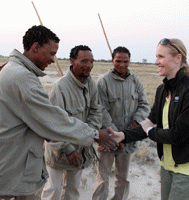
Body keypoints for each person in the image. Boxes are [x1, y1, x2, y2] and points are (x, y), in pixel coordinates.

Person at [0, 25, 118, 200]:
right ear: (35, 47)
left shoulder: (13, 70)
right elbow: (52, 120)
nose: (53, 59)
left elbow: (95, 110)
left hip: (18, 161)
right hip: (15, 163)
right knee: (52, 190)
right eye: (52, 53)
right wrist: (93, 134)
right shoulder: (24, 78)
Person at [110, 39, 189, 200]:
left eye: (160, 57)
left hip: (187, 168)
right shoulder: (162, 90)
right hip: (167, 166)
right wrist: (122, 136)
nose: (156, 62)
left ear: (177, 58)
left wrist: (151, 132)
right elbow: (149, 122)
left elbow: (178, 134)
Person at [41, 45, 102, 200]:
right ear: (72, 61)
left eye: (91, 61)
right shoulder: (59, 88)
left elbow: (96, 112)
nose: (89, 66)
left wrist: (88, 136)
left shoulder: (91, 85)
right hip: (58, 151)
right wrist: (67, 148)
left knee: (72, 190)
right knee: (52, 190)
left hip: (81, 148)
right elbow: (52, 124)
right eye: (84, 61)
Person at [92, 46, 150, 200]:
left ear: (129, 61)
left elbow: (144, 105)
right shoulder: (103, 81)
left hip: (129, 139)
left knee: (123, 177)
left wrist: (136, 121)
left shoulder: (136, 81)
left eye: (125, 61)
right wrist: (115, 135)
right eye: (118, 61)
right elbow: (101, 110)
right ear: (112, 60)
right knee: (102, 177)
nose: (122, 65)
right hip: (109, 138)